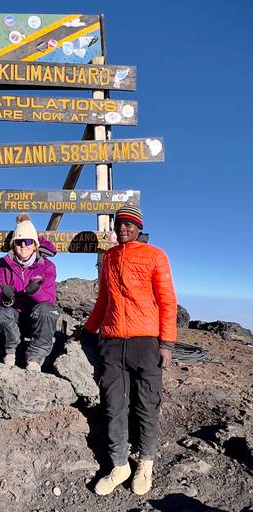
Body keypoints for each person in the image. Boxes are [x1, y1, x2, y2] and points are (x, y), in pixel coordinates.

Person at [82, 206, 177, 496]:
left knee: (147, 405)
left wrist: (168, 344)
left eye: (129, 224)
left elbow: (168, 301)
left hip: (145, 342)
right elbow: (103, 301)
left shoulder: (155, 255)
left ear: (139, 228)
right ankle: (120, 464)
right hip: (111, 342)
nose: (123, 228)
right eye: (119, 223)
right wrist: (87, 330)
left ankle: (145, 463)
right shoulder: (109, 257)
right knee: (113, 405)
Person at [0, 214, 58, 371]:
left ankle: (35, 357)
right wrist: (5, 298)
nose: (23, 246)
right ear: (13, 245)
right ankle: (11, 349)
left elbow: (50, 300)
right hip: (14, 319)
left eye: (28, 241)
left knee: (48, 311)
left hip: (35, 319)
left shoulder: (47, 266)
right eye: (19, 242)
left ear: (34, 245)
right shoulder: (3, 264)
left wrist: (36, 292)